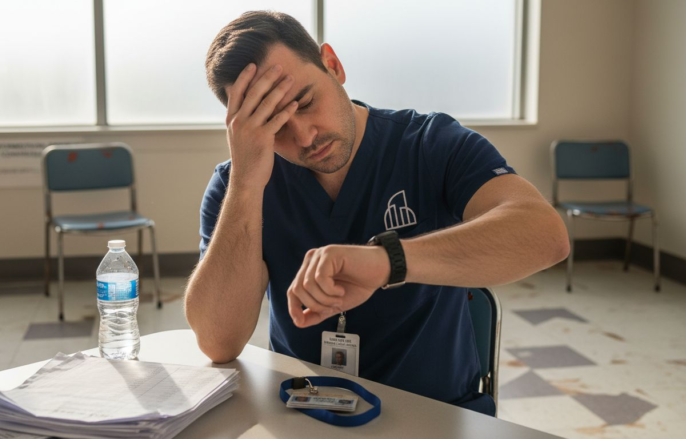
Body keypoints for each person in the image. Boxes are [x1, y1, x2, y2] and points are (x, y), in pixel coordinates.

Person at [185, 11, 569, 416]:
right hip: (306, 413)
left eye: (306, 102)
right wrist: (246, 184)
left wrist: (389, 261)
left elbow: (545, 235)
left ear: (332, 65)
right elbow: (218, 341)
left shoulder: (429, 144)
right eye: (273, 125)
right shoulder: (238, 184)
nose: (304, 136)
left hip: (436, 413)